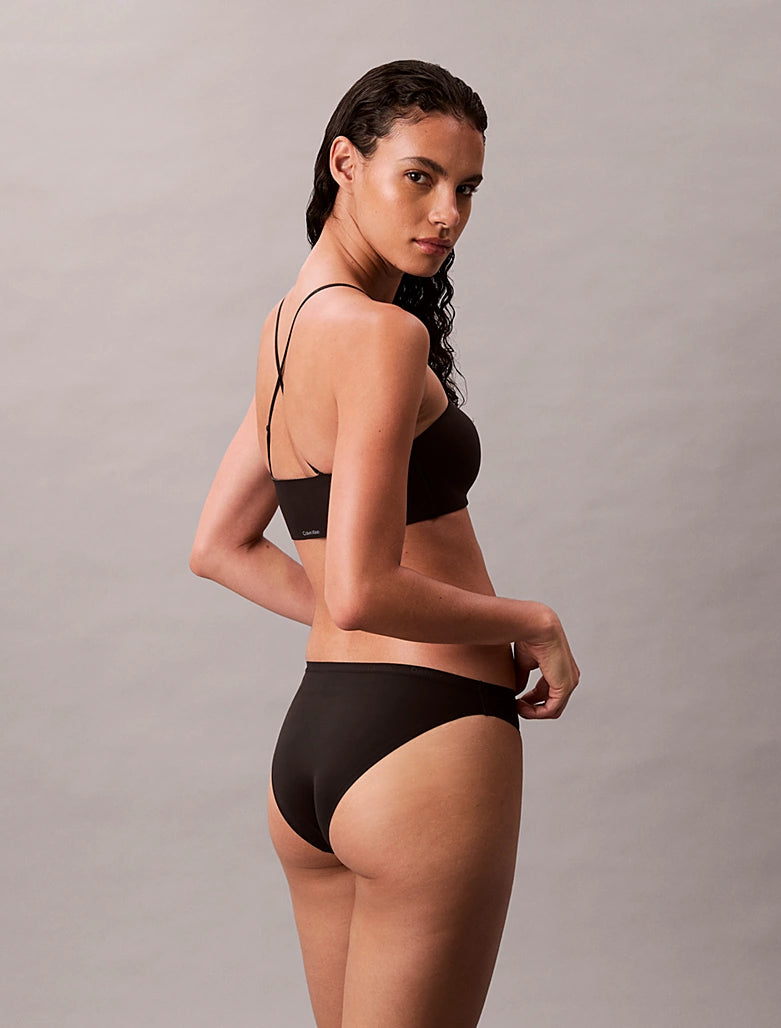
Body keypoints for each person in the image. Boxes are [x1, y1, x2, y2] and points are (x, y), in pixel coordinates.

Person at [190, 59, 579, 1028]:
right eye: (419, 176)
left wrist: (356, 617)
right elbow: (364, 589)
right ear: (344, 163)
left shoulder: (287, 327)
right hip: (425, 746)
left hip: (316, 744)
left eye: (467, 188)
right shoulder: (378, 336)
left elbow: (220, 547)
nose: (447, 213)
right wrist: (530, 620)